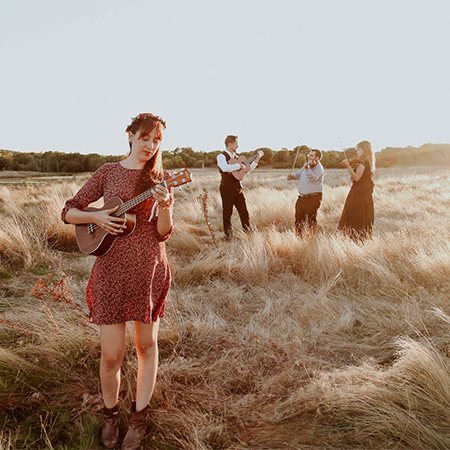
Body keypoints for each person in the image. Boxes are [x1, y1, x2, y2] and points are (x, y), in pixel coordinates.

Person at [61, 113, 173, 450]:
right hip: (110, 272)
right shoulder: (107, 172)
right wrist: (96, 215)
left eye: (156, 140)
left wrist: (166, 205)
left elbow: (164, 232)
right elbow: (69, 210)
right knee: (111, 355)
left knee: (146, 347)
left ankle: (138, 420)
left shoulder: (161, 178)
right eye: (144, 138)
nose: (150, 146)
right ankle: (110, 415)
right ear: (130, 136)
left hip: (149, 270)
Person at [217, 135, 261, 239]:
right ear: (230, 144)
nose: (238, 146)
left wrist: (255, 162)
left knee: (244, 212)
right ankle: (229, 237)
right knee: (227, 213)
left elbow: (246, 170)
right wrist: (238, 166)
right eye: (236, 144)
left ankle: (248, 234)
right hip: (226, 188)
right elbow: (224, 167)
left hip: (238, 188)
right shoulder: (221, 156)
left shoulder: (237, 158)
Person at [337, 140, 375, 240]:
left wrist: (348, 166)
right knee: (361, 214)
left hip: (360, 192)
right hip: (364, 191)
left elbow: (357, 177)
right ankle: (360, 237)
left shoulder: (363, 161)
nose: (357, 152)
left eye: (358, 150)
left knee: (356, 214)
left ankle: (357, 237)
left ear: (364, 150)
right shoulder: (367, 161)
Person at [287, 149, 324, 235]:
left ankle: (311, 239)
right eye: (309, 155)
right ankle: (299, 238)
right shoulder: (307, 166)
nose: (308, 156)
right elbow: (298, 174)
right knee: (298, 220)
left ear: (317, 158)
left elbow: (313, 177)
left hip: (313, 197)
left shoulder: (319, 167)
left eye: (311, 155)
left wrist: (307, 169)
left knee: (311, 220)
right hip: (302, 198)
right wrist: (292, 176)